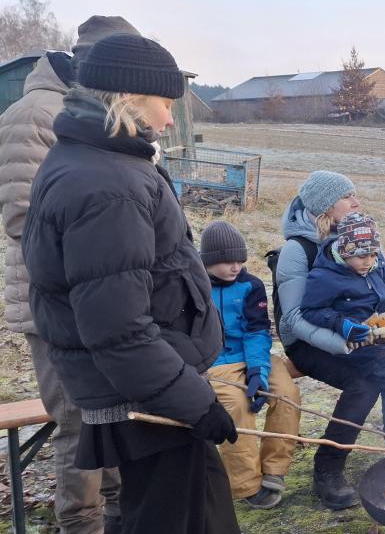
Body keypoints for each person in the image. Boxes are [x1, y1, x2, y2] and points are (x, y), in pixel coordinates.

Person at [21, 33, 240, 534]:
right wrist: (193, 401)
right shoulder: (106, 185)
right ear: (127, 97)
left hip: (152, 386)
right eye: (165, 103)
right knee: (180, 521)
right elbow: (118, 328)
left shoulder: (100, 162)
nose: (169, 119)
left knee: (194, 512)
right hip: (148, 397)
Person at [0, 15, 140, 534]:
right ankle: (80, 525)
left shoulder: (95, 109)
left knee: (116, 413)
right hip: (54, 306)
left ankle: (122, 515)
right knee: (78, 423)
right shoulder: (33, 114)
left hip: (102, 296)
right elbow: (22, 218)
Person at [274, 170, 381, 510]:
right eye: (348, 196)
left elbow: (382, 287)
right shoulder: (297, 249)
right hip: (308, 341)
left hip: (352, 331)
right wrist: (340, 344)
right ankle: (328, 470)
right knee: (363, 384)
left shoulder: (354, 238)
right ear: (325, 206)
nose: (356, 202)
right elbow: (292, 320)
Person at [300, 212, 385, 449]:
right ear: (345, 252)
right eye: (362, 256)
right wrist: (341, 323)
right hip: (363, 345)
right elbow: (310, 310)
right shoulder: (324, 277)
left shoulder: (375, 264)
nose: (368, 261)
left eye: (373, 255)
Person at [200, 220, 302, 510]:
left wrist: (258, 370)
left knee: (286, 395)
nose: (236, 267)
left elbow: (257, 331)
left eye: (240, 261)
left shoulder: (251, 285)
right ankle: (246, 484)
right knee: (236, 407)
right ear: (209, 261)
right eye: (228, 262)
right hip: (215, 360)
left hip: (252, 355)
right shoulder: (193, 284)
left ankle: (274, 471)